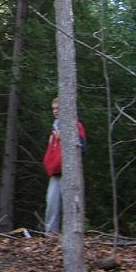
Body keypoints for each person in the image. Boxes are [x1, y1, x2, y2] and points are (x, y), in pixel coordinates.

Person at [43, 97, 87, 235]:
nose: (55, 111)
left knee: (70, 206)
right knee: (51, 203)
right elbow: (51, 150)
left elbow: (83, 147)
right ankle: (50, 235)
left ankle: (71, 236)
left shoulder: (75, 125)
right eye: (53, 109)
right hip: (55, 173)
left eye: (58, 108)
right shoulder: (55, 128)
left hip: (69, 172)